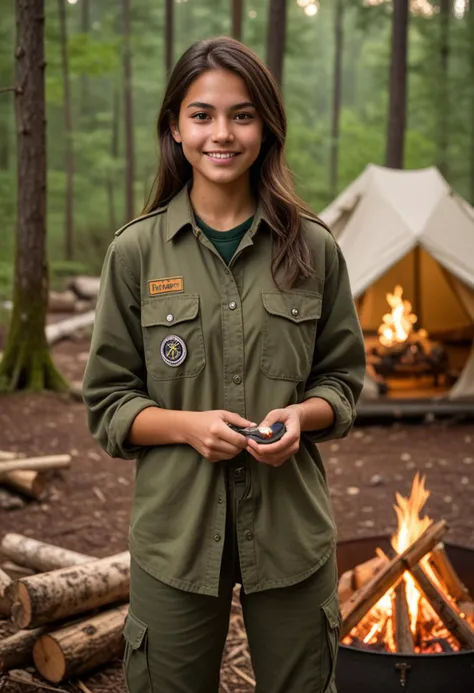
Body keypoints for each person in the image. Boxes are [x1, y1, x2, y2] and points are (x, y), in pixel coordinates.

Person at [83, 36, 366, 693]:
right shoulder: (137, 253)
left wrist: (303, 414)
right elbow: (107, 404)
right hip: (175, 536)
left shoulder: (314, 248)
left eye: (242, 115)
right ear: (175, 129)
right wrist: (187, 426)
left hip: (291, 531)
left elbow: (343, 382)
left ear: (266, 129)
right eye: (202, 115)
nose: (222, 133)